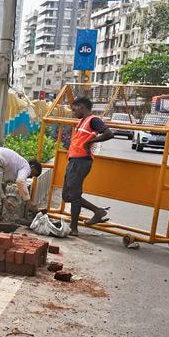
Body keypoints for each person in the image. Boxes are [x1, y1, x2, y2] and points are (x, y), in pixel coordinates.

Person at [64, 96, 113, 234]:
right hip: (73, 161)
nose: (74, 112)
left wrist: (89, 142)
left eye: (74, 109)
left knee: (74, 194)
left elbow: (109, 134)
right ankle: (98, 211)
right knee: (67, 195)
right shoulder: (82, 122)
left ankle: (74, 228)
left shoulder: (93, 120)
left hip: (81, 161)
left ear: (81, 107)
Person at [0, 147, 44, 232]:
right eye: (32, 174)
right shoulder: (26, 167)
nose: (30, 176)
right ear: (32, 167)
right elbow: (20, 181)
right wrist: (28, 202)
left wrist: (5, 199)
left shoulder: (17, 164)